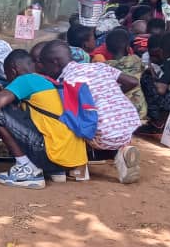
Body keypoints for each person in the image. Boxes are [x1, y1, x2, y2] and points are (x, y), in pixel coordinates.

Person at [40, 41, 141, 183]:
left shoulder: (68, 81)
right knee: (95, 118)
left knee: (66, 118)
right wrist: (108, 95)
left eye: (45, 65)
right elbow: (132, 82)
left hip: (102, 136)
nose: (44, 70)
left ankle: (79, 167)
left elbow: (73, 116)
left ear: (54, 62)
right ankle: (123, 151)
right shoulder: (99, 66)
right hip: (128, 128)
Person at [0, 50, 88, 188]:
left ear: (13, 70)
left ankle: (27, 169)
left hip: (50, 154)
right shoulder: (48, 80)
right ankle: (56, 172)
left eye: (7, 75)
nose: (8, 80)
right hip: (70, 159)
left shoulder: (25, 80)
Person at [104, 29, 147, 120]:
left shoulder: (105, 66)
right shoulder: (136, 59)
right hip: (140, 113)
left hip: (117, 115)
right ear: (128, 48)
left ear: (107, 49)